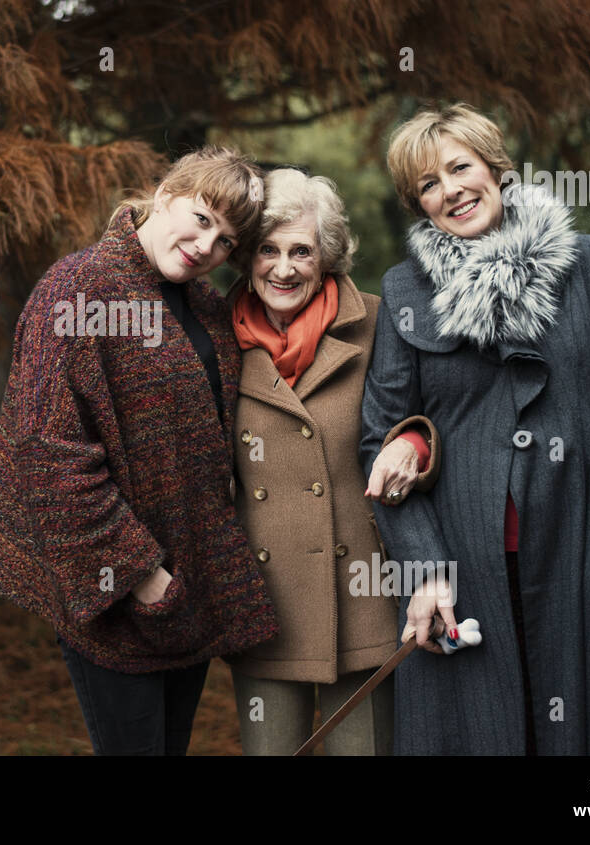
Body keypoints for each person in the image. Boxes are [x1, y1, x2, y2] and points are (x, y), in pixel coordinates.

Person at [360, 103, 590, 754]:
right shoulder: (404, 290)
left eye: (460, 167)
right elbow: (380, 434)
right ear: (419, 205)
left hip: (580, 542)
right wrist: (426, 570)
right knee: (489, 731)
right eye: (428, 183)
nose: (450, 189)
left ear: (497, 170)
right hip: (466, 562)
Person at [0, 146, 277, 755]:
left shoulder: (209, 308)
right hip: (115, 587)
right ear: (165, 195)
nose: (207, 246)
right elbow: (46, 450)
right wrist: (138, 575)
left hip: (189, 586)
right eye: (203, 217)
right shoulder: (80, 288)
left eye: (226, 242)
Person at [224, 168, 440, 756]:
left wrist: (415, 447)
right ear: (246, 255)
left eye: (302, 250)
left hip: (365, 596)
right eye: (268, 250)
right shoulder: (213, 336)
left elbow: (432, 418)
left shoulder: (377, 320)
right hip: (265, 601)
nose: (284, 268)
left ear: (329, 256)